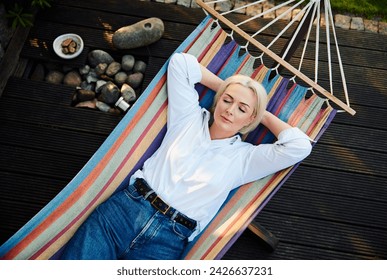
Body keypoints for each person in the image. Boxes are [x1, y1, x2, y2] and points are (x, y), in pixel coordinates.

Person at [60, 53, 312, 260]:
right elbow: (181, 63)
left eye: (241, 109)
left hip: (166, 240)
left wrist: (261, 113)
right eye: (227, 100)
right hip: (122, 213)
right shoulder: (188, 117)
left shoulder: (246, 160)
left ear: (251, 119)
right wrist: (228, 88)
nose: (230, 110)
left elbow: (300, 146)